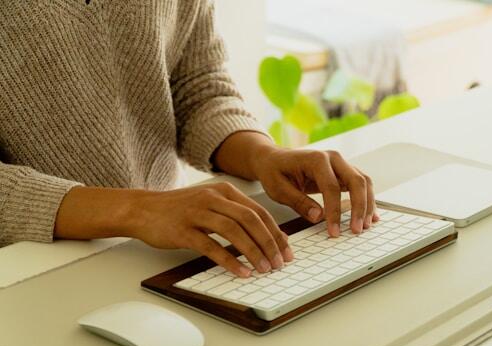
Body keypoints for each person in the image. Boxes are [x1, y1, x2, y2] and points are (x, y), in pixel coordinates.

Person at [0, 0, 378, 277]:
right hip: (27, 273)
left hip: (164, 251)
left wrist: (263, 155)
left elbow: (196, 86)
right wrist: (139, 210)